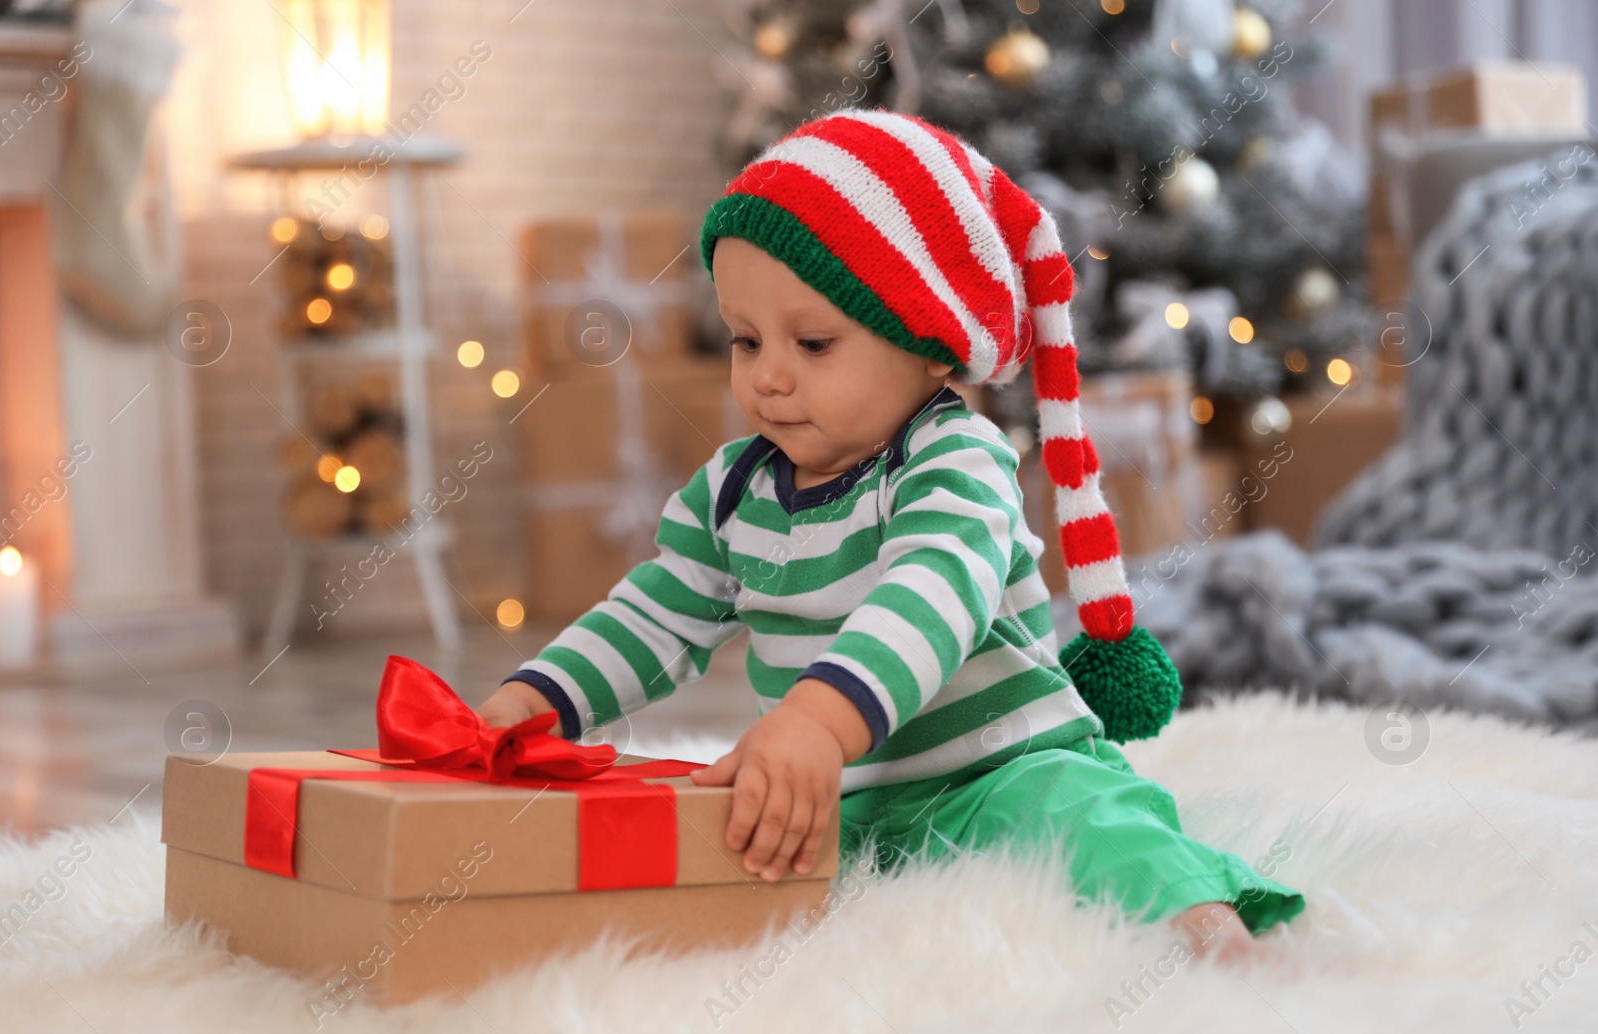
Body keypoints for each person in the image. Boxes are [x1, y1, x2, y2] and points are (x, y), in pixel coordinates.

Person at [477, 109, 1304, 959]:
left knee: (1086, 823)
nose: (767, 374)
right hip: (844, 797)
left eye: (813, 342)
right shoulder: (734, 488)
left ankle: (1213, 942)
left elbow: (931, 593)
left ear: (932, 346)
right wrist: (537, 698)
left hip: (997, 771)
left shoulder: (956, 460)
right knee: (728, 859)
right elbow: (652, 617)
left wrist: (815, 720)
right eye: (745, 338)